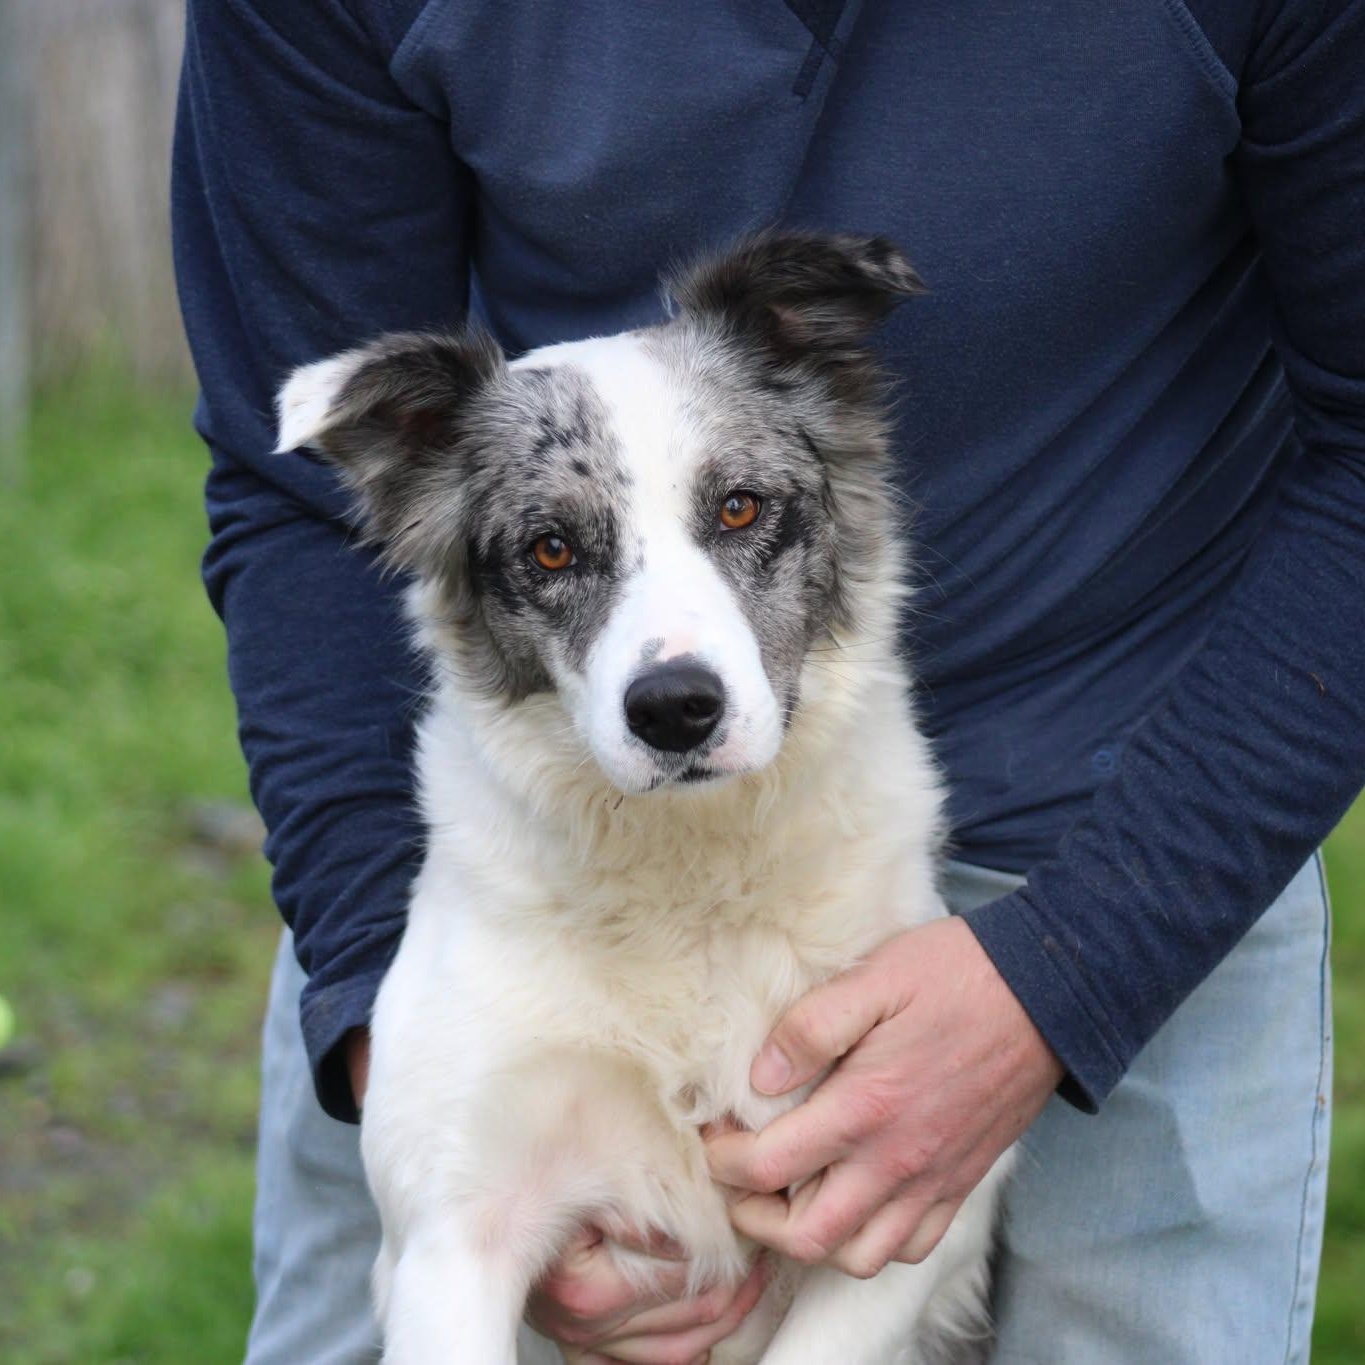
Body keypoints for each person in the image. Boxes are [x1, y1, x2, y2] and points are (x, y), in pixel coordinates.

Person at [172, 3, 1364, 1361]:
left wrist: (1078, 963)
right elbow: (295, 493)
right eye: (560, 547)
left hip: (1141, 802)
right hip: (503, 870)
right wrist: (398, 1039)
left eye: (733, 514)